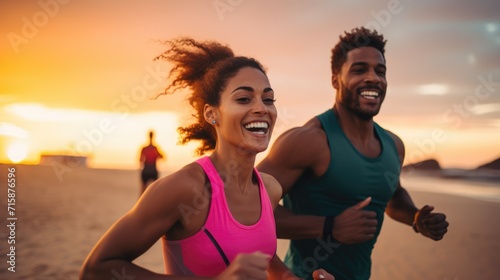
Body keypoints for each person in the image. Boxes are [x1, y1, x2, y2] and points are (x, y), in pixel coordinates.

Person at [80, 38, 334, 280]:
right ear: (212, 114)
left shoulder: (270, 189)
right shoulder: (186, 189)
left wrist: (289, 276)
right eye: (244, 98)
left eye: (268, 99)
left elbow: (264, 258)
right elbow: (97, 270)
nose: (262, 108)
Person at [257, 27, 449, 280]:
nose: (373, 78)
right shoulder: (309, 141)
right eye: (359, 70)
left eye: (380, 71)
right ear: (336, 79)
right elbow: (248, 210)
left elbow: (391, 194)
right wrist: (330, 227)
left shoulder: (394, 145)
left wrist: (414, 216)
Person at [139, 130, 165, 194]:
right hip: (153, 170)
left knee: (143, 191)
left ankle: (142, 203)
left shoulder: (145, 148)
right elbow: (162, 157)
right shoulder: (155, 148)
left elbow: (140, 160)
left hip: (146, 170)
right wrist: (155, 157)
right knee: (155, 190)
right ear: (153, 136)